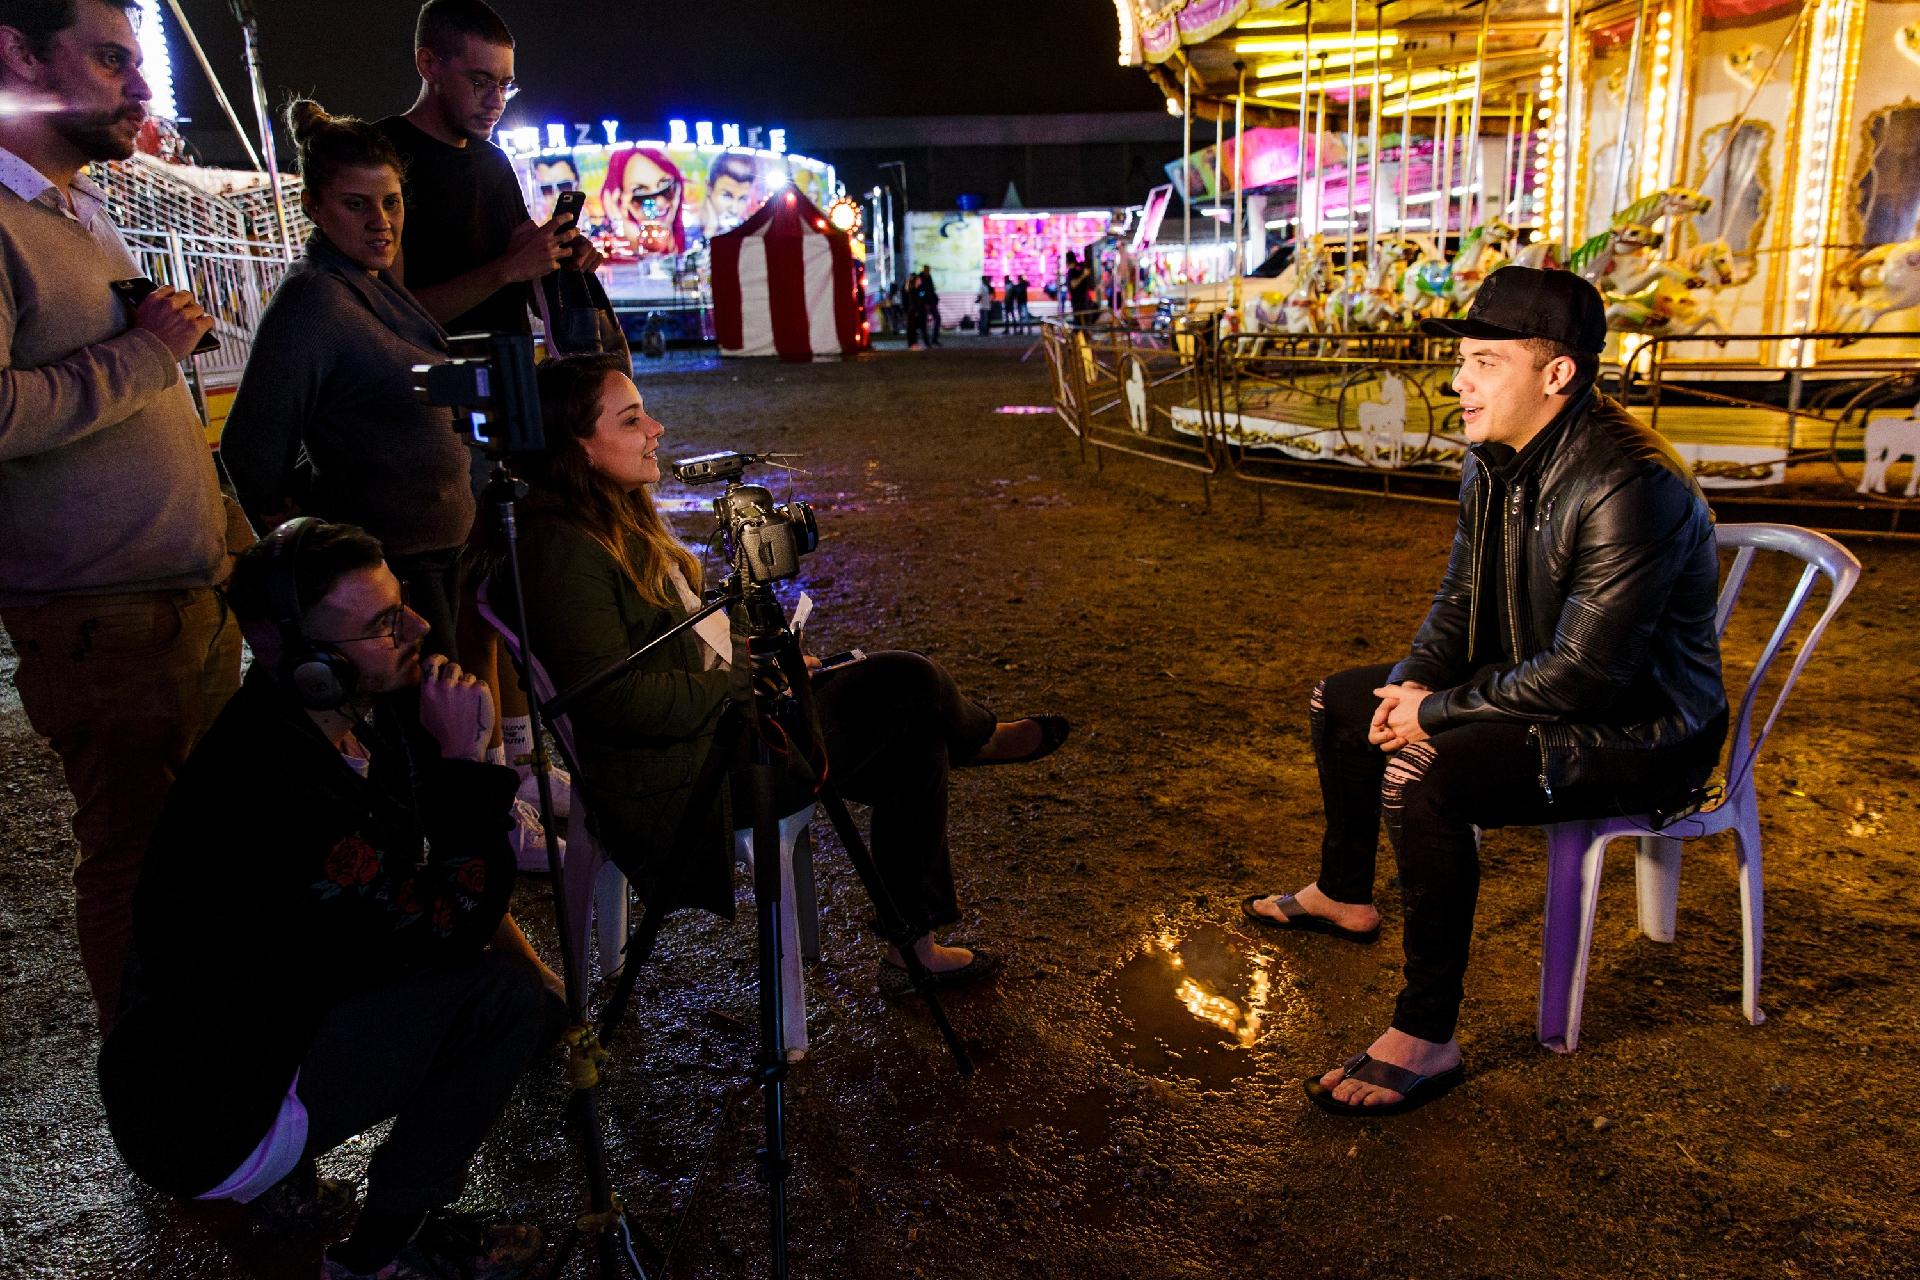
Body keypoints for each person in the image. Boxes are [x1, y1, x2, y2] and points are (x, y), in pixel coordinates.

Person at [1242, 267, 1728, 1115]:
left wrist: (1432, 712)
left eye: (1483, 362)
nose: (1457, 381)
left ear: (1556, 374)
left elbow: (1588, 675)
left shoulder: (1628, 482)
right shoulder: (1495, 460)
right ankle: (1344, 893)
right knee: (1344, 699)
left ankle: (1427, 1033)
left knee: (1425, 775)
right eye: (1461, 360)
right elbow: (1460, 599)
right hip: (1542, 690)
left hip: (1640, 729)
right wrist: (1412, 682)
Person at [491, 353, 1072, 984]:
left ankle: (913, 951)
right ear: (575, 448)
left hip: (721, 727)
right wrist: (737, 682)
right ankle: (979, 740)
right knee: (909, 680)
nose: (655, 428)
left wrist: (764, 661)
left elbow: (672, 640)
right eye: (632, 421)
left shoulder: (606, 517)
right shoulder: (562, 553)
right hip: (695, 775)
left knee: (916, 734)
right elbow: (611, 699)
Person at [98, 519, 564, 1280]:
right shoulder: (277, 787)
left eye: (403, 605)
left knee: (438, 977)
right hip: (211, 1117)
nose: (417, 626)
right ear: (302, 660)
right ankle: (380, 1257)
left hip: (218, 1058)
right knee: (503, 1002)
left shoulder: (333, 722)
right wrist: (466, 765)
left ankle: (293, 1193)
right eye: (382, 624)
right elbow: (449, 928)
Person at [0, 0, 246, 1029]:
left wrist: (231, 534)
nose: (140, 91)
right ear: (15, 54)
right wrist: (145, 353)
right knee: (140, 864)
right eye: (111, 60)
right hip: (101, 619)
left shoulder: (79, 209)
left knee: (207, 854)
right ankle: (172, 1115)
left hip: (187, 597)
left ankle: (219, 1085)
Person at [222, 101, 471, 659]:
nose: (380, 221)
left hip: (436, 554)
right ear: (313, 206)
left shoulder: (371, 283)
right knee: (424, 731)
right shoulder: (315, 299)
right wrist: (310, 549)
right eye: (356, 205)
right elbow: (251, 445)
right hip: (388, 570)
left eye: (391, 203)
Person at [375, 0, 599, 338]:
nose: (497, 102)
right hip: (435, 383)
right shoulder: (378, 156)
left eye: (505, 85)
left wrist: (560, 262)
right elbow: (388, 313)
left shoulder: (494, 161)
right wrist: (507, 269)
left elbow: (533, 295)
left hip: (515, 376)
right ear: (428, 64)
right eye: (480, 83)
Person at [700, 150, 759, 238]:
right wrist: (710, 231)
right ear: (709, 187)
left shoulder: (751, 233)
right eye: (727, 196)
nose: (734, 210)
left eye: (742, 199)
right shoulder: (686, 229)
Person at [903, 270, 927, 349]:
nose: (920, 281)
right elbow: (914, 301)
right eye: (919, 280)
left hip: (916, 310)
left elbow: (922, 297)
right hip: (913, 311)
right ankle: (912, 344)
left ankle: (914, 343)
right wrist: (916, 311)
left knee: (915, 328)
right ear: (916, 281)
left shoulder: (918, 289)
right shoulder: (912, 290)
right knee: (912, 328)